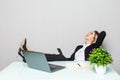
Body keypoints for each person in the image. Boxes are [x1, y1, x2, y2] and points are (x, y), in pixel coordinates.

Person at [18, 30, 106, 62]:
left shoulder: (93, 47)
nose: (88, 33)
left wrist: (96, 39)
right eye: (90, 32)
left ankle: (26, 54)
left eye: (91, 34)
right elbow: (71, 59)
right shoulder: (79, 47)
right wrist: (62, 57)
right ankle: (28, 54)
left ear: (94, 39)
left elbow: (103, 34)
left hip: (81, 69)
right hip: (71, 64)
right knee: (52, 57)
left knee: (56, 57)